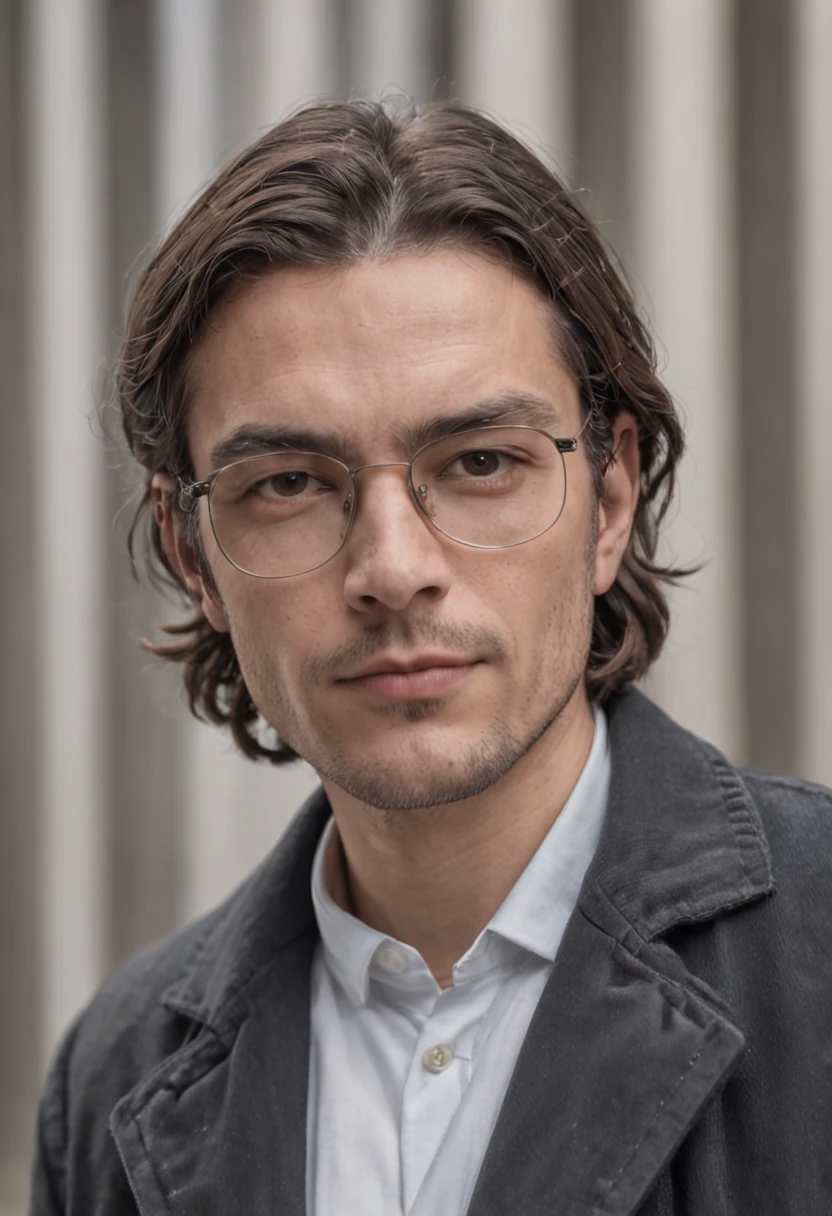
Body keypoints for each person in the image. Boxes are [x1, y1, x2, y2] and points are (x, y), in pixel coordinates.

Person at [30, 100, 832, 1216]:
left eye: (480, 462)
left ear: (607, 503)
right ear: (192, 554)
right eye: (291, 483)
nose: (391, 567)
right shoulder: (113, 1074)